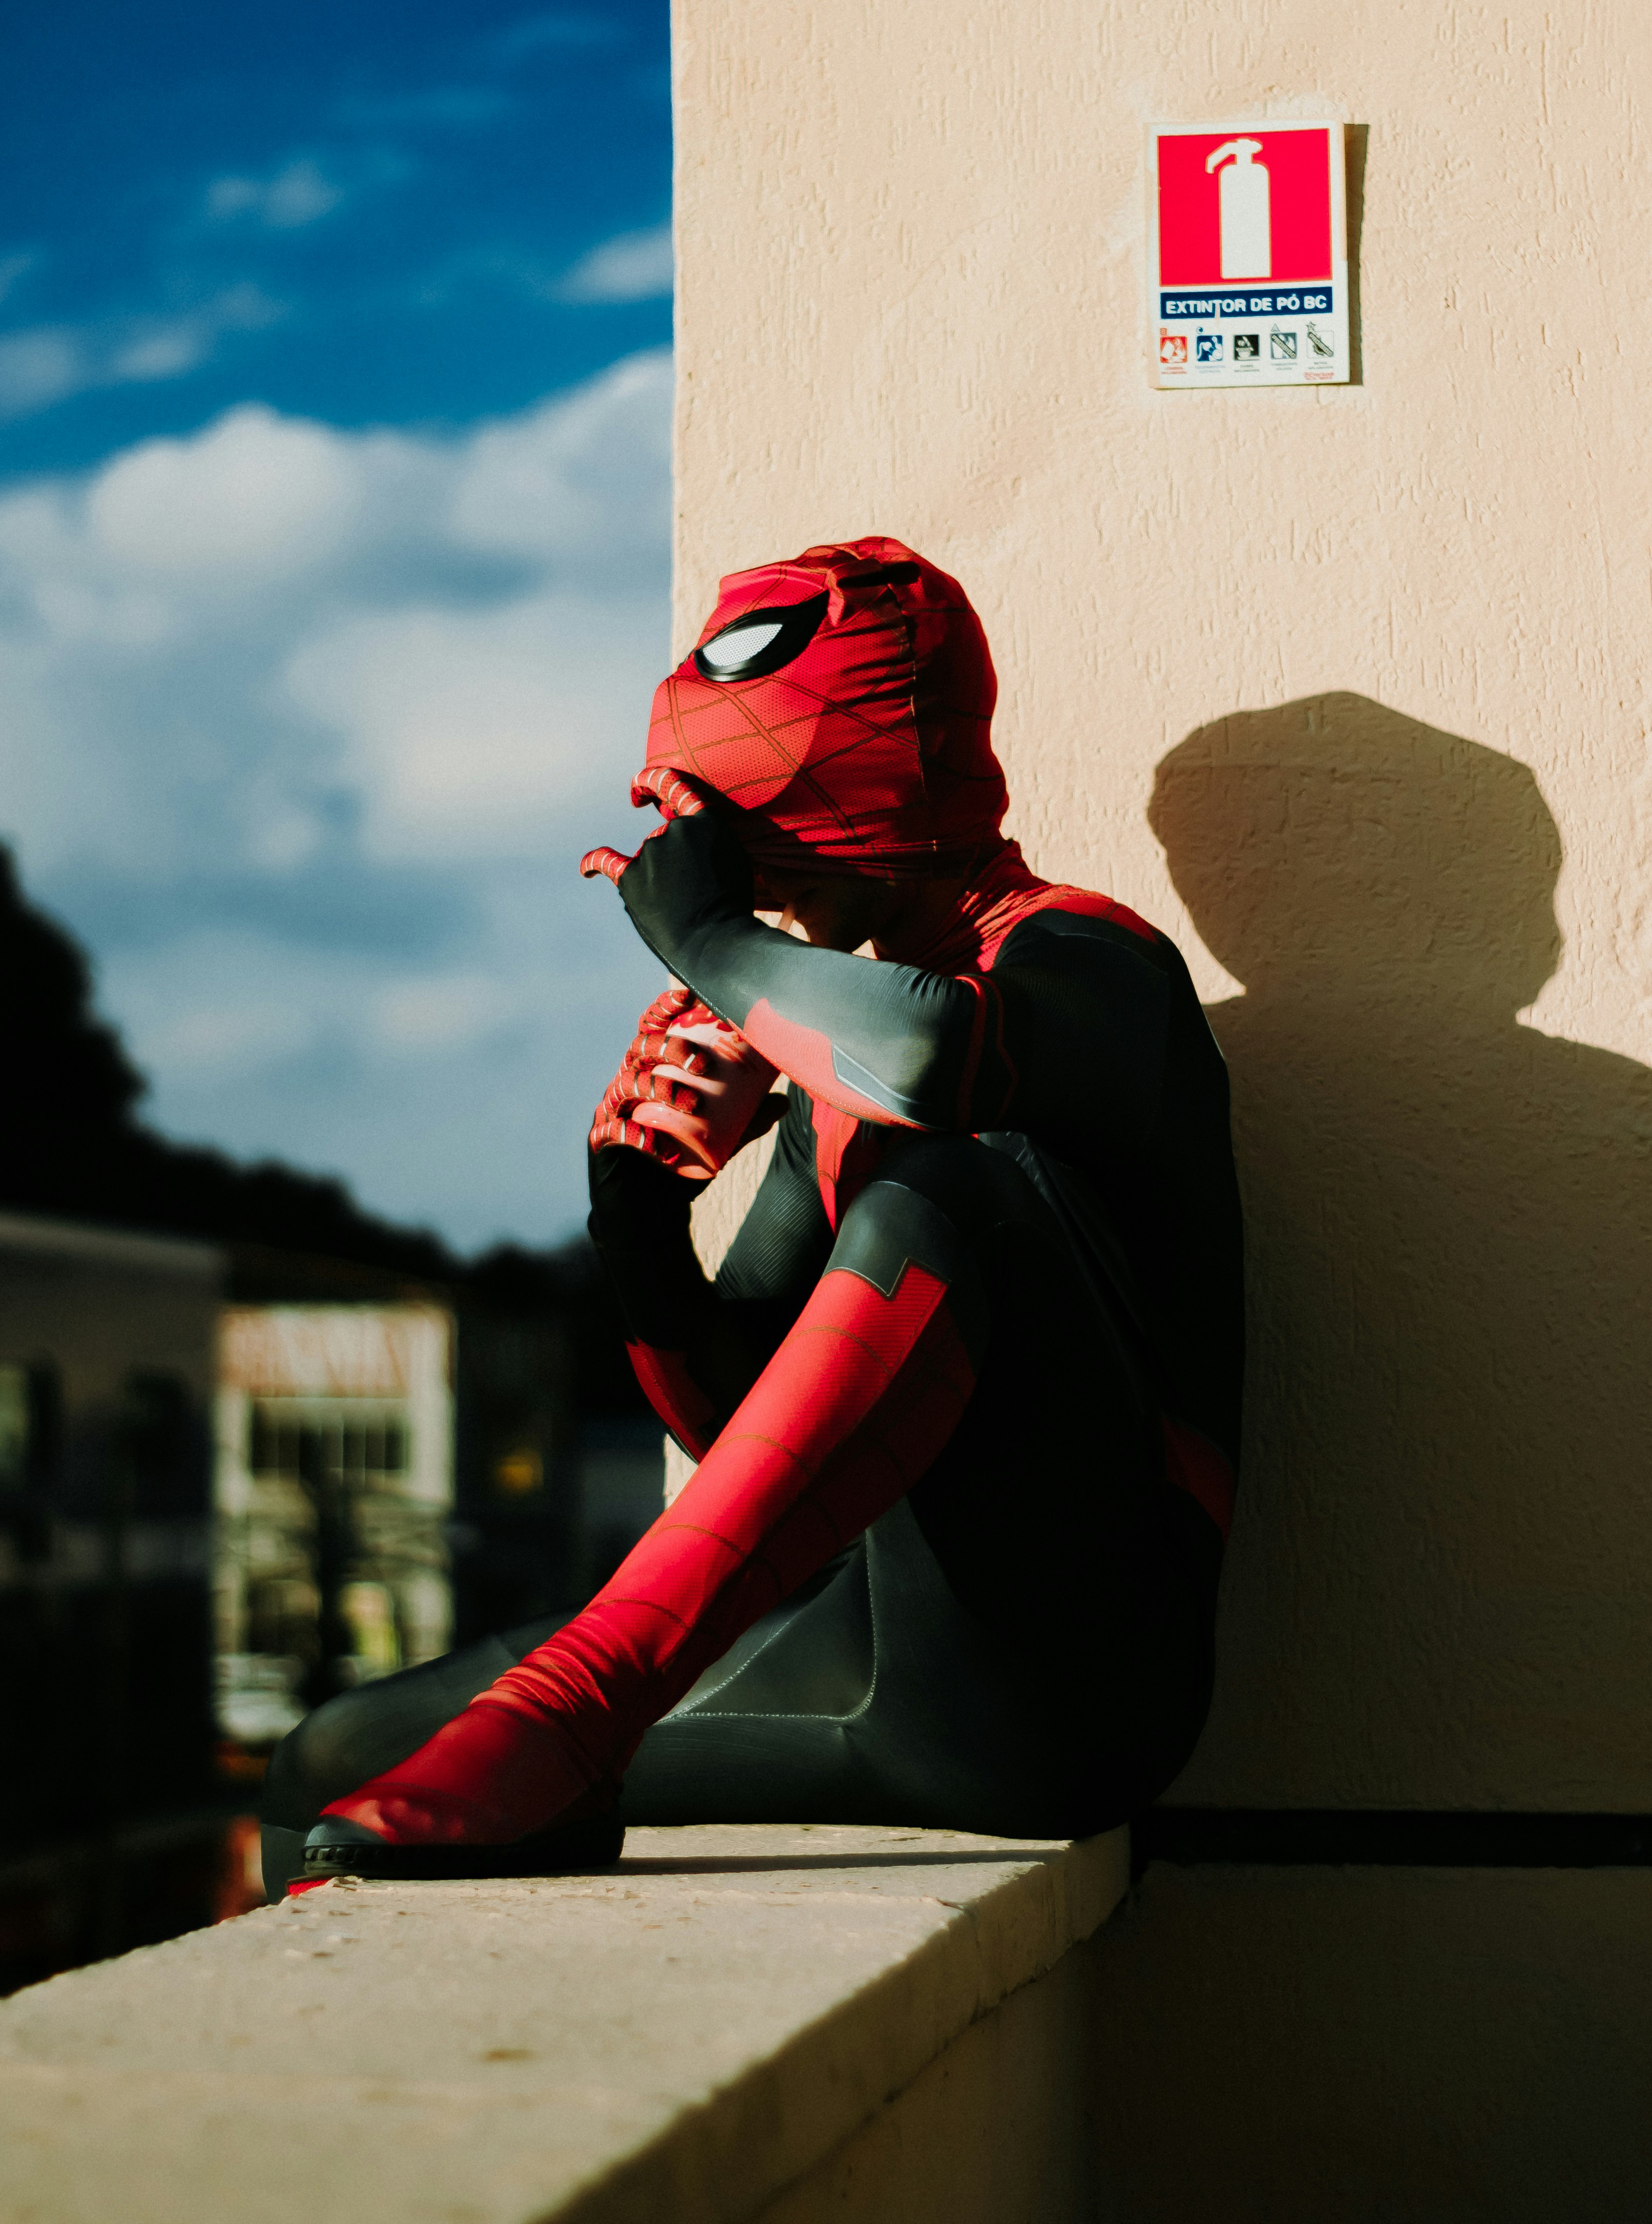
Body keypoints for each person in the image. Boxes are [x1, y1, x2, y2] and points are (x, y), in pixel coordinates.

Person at [261, 538, 1242, 1897]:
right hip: (867, 1658)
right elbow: (762, 1441)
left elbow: (926, 1065)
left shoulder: (1084, 966)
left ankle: (571, 1711)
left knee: (936, 1175)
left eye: (741, 821)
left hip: (1061, 1686)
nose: (711, 858)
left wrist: (708, 939)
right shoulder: (834, 1069)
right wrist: (639, 1215)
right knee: (333, 1753)